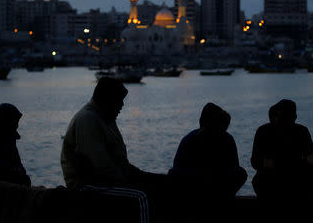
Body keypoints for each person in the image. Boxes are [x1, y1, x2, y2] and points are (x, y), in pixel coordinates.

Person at [60, 77, 169, 220]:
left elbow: (120, 163)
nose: (122, 105)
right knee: (142, 197)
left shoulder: (106, 118)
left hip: (105, 180)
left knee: (161, 186)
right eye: (119, 101)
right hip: (86, 186)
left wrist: (150, 178)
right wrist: (134, 182)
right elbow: (102, 167)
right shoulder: (88, 119)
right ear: (107, 100)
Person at [168, 102, 247, 222]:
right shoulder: (190, 140)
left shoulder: (227, 139)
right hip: (196, 186)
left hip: (217, 185)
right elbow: (177, 173)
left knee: (240, 173)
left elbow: (234, 167)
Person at [250, 99, 313, 200]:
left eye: (285, 117)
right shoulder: (263, 131)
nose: (280, 120)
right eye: (279, 116)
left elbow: (311, 158)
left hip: (294, 174)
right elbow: (255, 162)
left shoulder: (302, 131)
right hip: (275, 175)